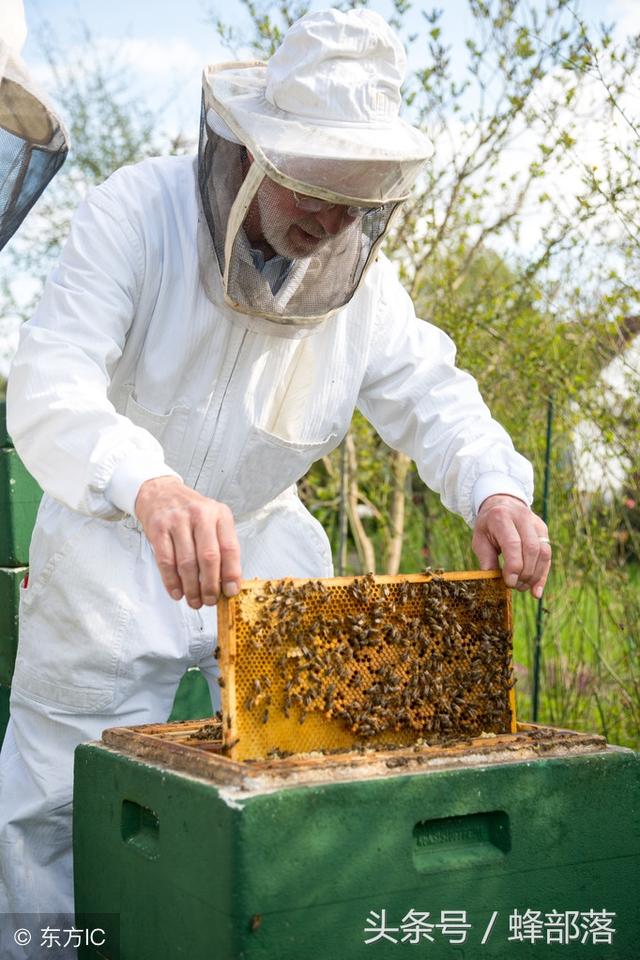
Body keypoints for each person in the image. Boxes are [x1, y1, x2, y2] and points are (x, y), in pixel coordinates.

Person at [0, 5, 550, 930]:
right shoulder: (138, 213)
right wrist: (150, 483)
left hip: (263, 554)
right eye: (312, 187)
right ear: (252, 156)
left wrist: (495, 487)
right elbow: (50, 381)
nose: (331, 219)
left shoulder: (362, 288)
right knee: (51, 815)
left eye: (355, 200)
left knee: (299, 809)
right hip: (107, 546)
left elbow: (433, 393)